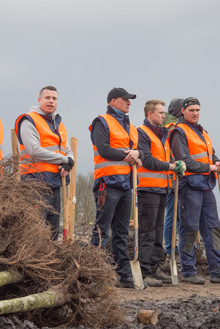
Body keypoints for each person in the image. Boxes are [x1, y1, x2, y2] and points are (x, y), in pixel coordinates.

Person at [89, 87, 145, 289]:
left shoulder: (131, 127)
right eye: (125, 100)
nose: (129, 103)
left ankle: (125, 277)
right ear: (113, 101)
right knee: (101, 231)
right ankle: (92, 275)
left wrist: (137, 154)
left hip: (126, 185)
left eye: (130, 100)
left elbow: (141, 152)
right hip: (107, 183)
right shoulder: (101, 122)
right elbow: (104, 149)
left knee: (121, 233)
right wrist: (129, 155)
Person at [170, 97, 220, 284]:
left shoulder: (202, 131)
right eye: (191, 110)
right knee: (190, 229)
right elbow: (185, 161)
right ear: (183, 111)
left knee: (213, 228)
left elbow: (210, 153)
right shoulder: (178, 132)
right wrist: (211, 168)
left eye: (197, 110)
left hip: (207, 185)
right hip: (190, 185)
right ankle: (189, 271)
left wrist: (215, 161)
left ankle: (216, 269)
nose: (195, 113)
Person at [15, 86, 74, 241]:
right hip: (35, 181)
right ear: (39, 100)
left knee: (52, 229)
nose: (51, 101)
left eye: (54, 98)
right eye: (47, 97)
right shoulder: (28, 120)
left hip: (55, 182)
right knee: (36, 227)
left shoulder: (59, 125)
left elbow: (67, 150)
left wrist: (69, 162)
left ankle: (48, 262)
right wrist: (63, 159)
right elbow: (34, 150)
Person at [137, 100, 182, 287]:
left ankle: (155, 267)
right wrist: (170, 166)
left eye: (164, 113)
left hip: (163, 187)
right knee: (147, 231)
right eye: (161, 113)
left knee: (157, 231)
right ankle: (144, 270)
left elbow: (164, 158)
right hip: (148, 188)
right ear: (150, 114)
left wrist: (174, 166)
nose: (164, 116)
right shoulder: (142, 132)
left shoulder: (162, 134)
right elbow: (147, 160)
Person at [163, 98, 184, 257]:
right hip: (172, 177)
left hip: (177, 176)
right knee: (172, 214)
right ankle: (171, 248)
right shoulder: (171, 128)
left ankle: (176, 247)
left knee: (177, 214)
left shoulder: (173, 126)